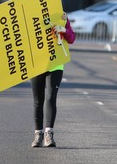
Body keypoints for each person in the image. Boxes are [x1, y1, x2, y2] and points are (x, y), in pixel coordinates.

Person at [31, 12, 75, 148]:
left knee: (51, 98)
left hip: (55, 64)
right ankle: (38, 134)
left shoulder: (62, 17)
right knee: (38, 100)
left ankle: (48, 134)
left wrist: (64, 30)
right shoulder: (31, 16)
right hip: (37, 64)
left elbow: (72, 38)